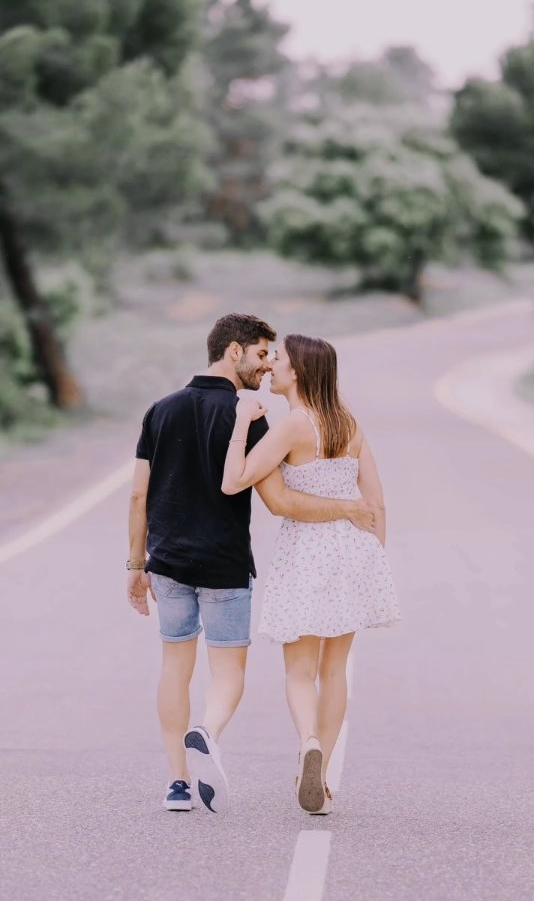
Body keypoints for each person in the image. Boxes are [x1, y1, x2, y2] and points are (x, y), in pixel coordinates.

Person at [127, 314, 376, 815]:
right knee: (234, 674)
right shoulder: (260, 416)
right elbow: (278, 498)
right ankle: (218, 733)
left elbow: (138, 496)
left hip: (168, 562)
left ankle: (177, 782)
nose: (267, 366)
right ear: (234, 351)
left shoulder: (160, 410)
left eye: (274, 357)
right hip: (226, 564)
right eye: (263, 354)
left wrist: (137, 562)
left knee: (175, 667)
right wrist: (351, 514)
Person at [222, 333, 400, 816]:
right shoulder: (349, 424)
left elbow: (234, 479)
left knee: (300, 671)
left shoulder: (294, 426)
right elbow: (377, 503)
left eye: (278, 359)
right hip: (353, 552)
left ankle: (307, 743)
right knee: (335, 670)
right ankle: (319, 772)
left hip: (307, 552)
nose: (272, 367)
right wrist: (371, 563)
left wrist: (241, 424)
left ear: (298, 371)